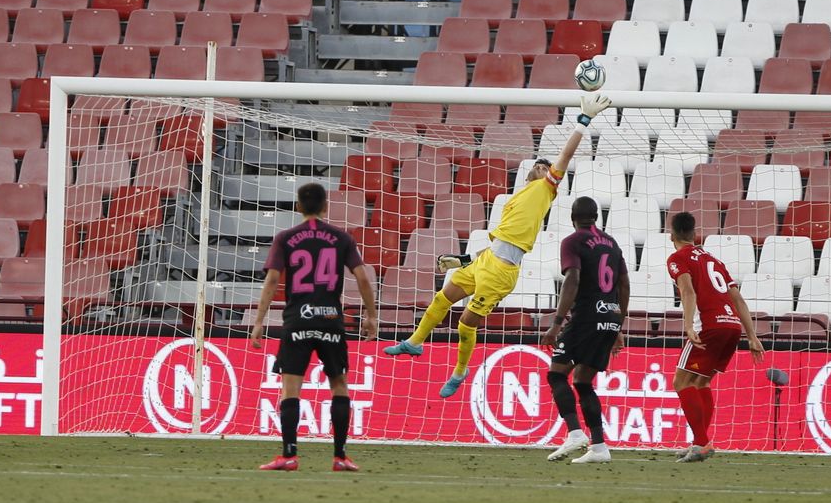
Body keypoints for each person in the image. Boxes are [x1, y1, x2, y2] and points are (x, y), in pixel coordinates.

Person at [386, 92, 612, 397]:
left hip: (501, 272)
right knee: (442, 298)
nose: (542, 168)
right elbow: (499, 242)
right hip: (486, 261)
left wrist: (583, 122)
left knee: (466, 323)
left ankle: (460, 371)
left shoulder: (545, 191)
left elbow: (565, 157)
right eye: (539, 166)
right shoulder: (514, 199)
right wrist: (465, 260)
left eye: (546, 167)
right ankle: (415, 342)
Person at [249, 182, 378, 472]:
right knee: (339, 384)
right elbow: (363, 279)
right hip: (331, 319)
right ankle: (341, 457)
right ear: (325, 207)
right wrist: (371, 315)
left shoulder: (286, 238)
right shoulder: (341, 238)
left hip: (297, 320)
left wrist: (259, 321)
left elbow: (272, 280)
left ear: (298, 206)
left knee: (290, 388)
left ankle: (289, 455)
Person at [665, 210, 764, 462]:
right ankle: (700, 442)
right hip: (732, 326)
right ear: (695, 234)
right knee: (701, 383)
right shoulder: (713, 260)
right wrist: (752, 335)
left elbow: (687, 291)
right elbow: (737, 297)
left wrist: (688, 325)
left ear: (671, 235)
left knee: (681, 382)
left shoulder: (678, 257)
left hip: (708, 326)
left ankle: (701, 443)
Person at [543, 196, 629, 464]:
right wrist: (618, 324)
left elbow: (573, 279)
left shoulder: (572, 242)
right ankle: (600, 447)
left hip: (586, 318)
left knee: (557, 374)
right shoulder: (612, 244)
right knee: (582, 382)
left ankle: (575, 433)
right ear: (596, 217)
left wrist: (556, 323)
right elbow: (624, 284)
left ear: (573, 217)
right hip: (609, 318)